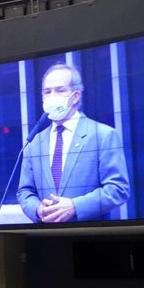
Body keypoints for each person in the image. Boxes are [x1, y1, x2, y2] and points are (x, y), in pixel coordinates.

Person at [17, 63, 130, 223]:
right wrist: (38, 209)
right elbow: (25, 192)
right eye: (47, 92)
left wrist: (75, 206)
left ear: (75, 96)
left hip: (90, 238)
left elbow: (118, 189)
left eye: (60, 90)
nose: (52, 96)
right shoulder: (34, 143)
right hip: (46, 238)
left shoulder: (103, 135)